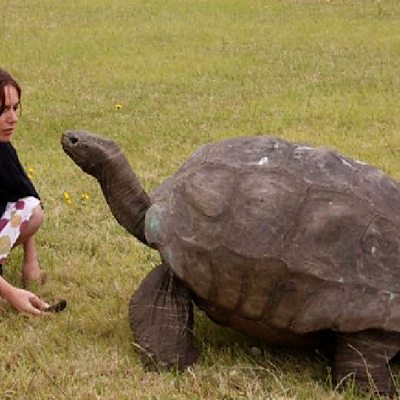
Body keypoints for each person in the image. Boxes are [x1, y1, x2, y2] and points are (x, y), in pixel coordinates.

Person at [0, 68, 49, 316]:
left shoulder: (3, 150)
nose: (13, 118)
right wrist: (11, 293)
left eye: (15, 108)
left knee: (32, 209)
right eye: (2, 110)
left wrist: (31, 261)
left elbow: (25, 195)